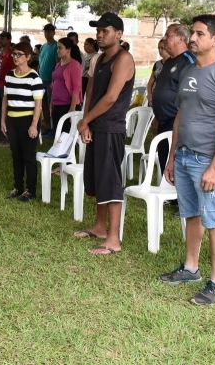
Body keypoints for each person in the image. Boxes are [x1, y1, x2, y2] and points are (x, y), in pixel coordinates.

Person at [159, 14, 215, 306]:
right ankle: (191, 268)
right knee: (192, 215)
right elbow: (180, 116)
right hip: (184, 155)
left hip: (207, 159)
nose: (192, 38)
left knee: (214, 220)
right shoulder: (188, 70)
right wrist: (172, 157)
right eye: (192, 33)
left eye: (199, 34)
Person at [74, 13, 134, 255]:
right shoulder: (98, 59)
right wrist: (85, 123)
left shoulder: (124, 59)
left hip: (111, 127)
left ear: (118, 34)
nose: (99, 35)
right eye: (98, 31)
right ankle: (100, 227)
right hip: (95, 125)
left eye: (105, 31)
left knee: (110, 181)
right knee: (98, 179)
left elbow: (110, 98)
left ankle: (113, 239)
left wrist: (85, 121)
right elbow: (90, 92)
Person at [2, 42, 44, 202]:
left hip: (28, 120)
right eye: (14, 54)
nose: (15, 57)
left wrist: (34, 125)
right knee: (16, 155)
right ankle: (18, 187)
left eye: (19, 54)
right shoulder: (9, 75)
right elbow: (5, 99)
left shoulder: (34, 78)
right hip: (12, 119)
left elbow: (38, 104)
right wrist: (3, 120)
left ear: (28, 57)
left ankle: (30, 190)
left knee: (28, 156)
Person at [151, 24, 195, 174]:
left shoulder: (189, 61)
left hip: (176, 121)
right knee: (165, 162)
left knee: (175, 165)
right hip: (163, 120)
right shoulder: (169, 61)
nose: (164, 38)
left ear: (180, 39)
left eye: (168, 35)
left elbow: (191, 94)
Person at [51, 37, 83, 134]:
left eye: (60, 48)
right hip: (56, 104)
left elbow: (76, 88)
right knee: (57, 133)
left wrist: (72, 108)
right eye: (57, 48)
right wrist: (51, 104)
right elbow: (54, 85)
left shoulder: (74, 65)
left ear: (68, 50)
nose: (58, 50)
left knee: (66, 134)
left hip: (67, 105)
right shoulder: (58, 64)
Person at [0, 32, 15, 145]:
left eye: (3, 38)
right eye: (0, 39)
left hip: (6, 86)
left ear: (9, 40)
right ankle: (3, 135)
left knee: (6, 112)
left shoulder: (11, 54)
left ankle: (8, 137)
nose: (0, 41)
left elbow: (14, 70)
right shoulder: (1, 53)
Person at [39, 23, 58, 136]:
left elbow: (57, 64)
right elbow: (40, 63)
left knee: (51, 107)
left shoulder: (56, 46)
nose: (47, 33)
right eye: (45, 31)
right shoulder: (43, 46)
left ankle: (54, 129)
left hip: (51, 81)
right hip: (41, 80)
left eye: (49, 31)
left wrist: (54, 80)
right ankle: (47, 127)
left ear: (53, 32)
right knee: (44, 106)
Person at [146, 38, 169, 108]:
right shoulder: (157, 64)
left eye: (162, 48)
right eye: (158, 48)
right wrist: (150, 95)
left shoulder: (174, 64)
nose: (160, 51)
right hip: (155, 96)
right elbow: (150, 83)